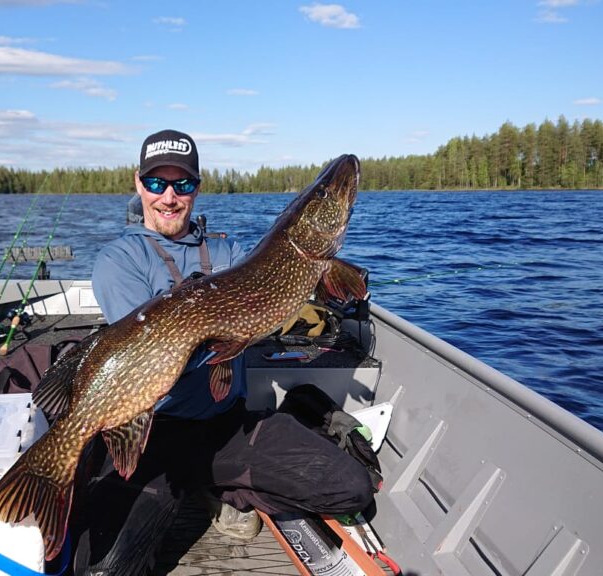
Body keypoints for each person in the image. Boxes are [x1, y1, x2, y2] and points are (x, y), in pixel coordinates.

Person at [71, 130, 375, 575]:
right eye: (157, 183)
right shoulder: (121, 259)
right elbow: (142, 356)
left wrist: (323, 288)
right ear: (139, 184)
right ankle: (210, 488)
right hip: (155, 435)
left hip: (228, 426)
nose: (169, 197)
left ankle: (224, 487)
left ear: (196, 187)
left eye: (182, 184)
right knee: (104, 568)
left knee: (351, 487)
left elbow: (275, 299)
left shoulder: (228, 251)